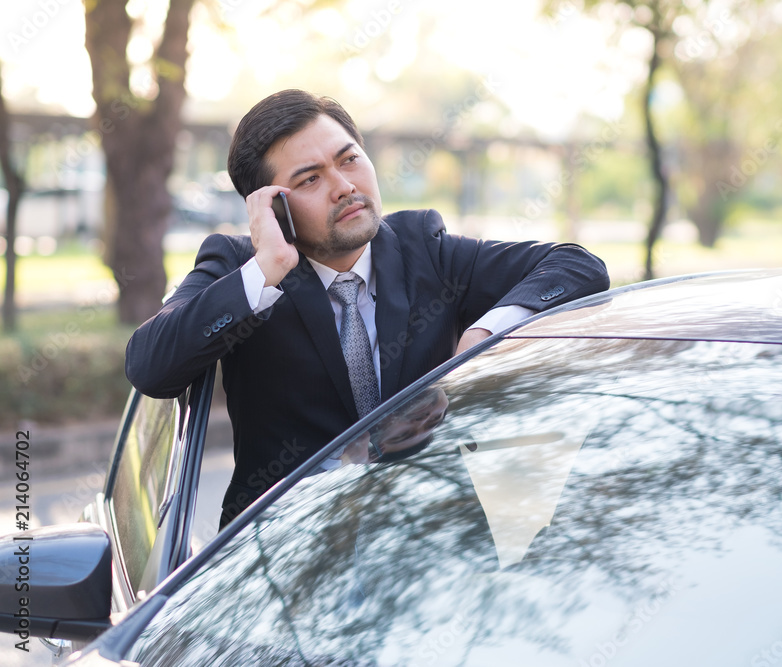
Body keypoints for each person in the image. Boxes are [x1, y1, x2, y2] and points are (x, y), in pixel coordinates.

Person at [125, 89, 610, 527]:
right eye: (311, 179)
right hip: (283, 558)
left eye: (349, 159)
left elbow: (576, 266)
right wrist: (265, 270)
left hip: (426, 541)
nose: (344, 186)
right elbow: (149, 365)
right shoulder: (238, 268)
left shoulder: (425, 248)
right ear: (272, 207)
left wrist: (484, 336)